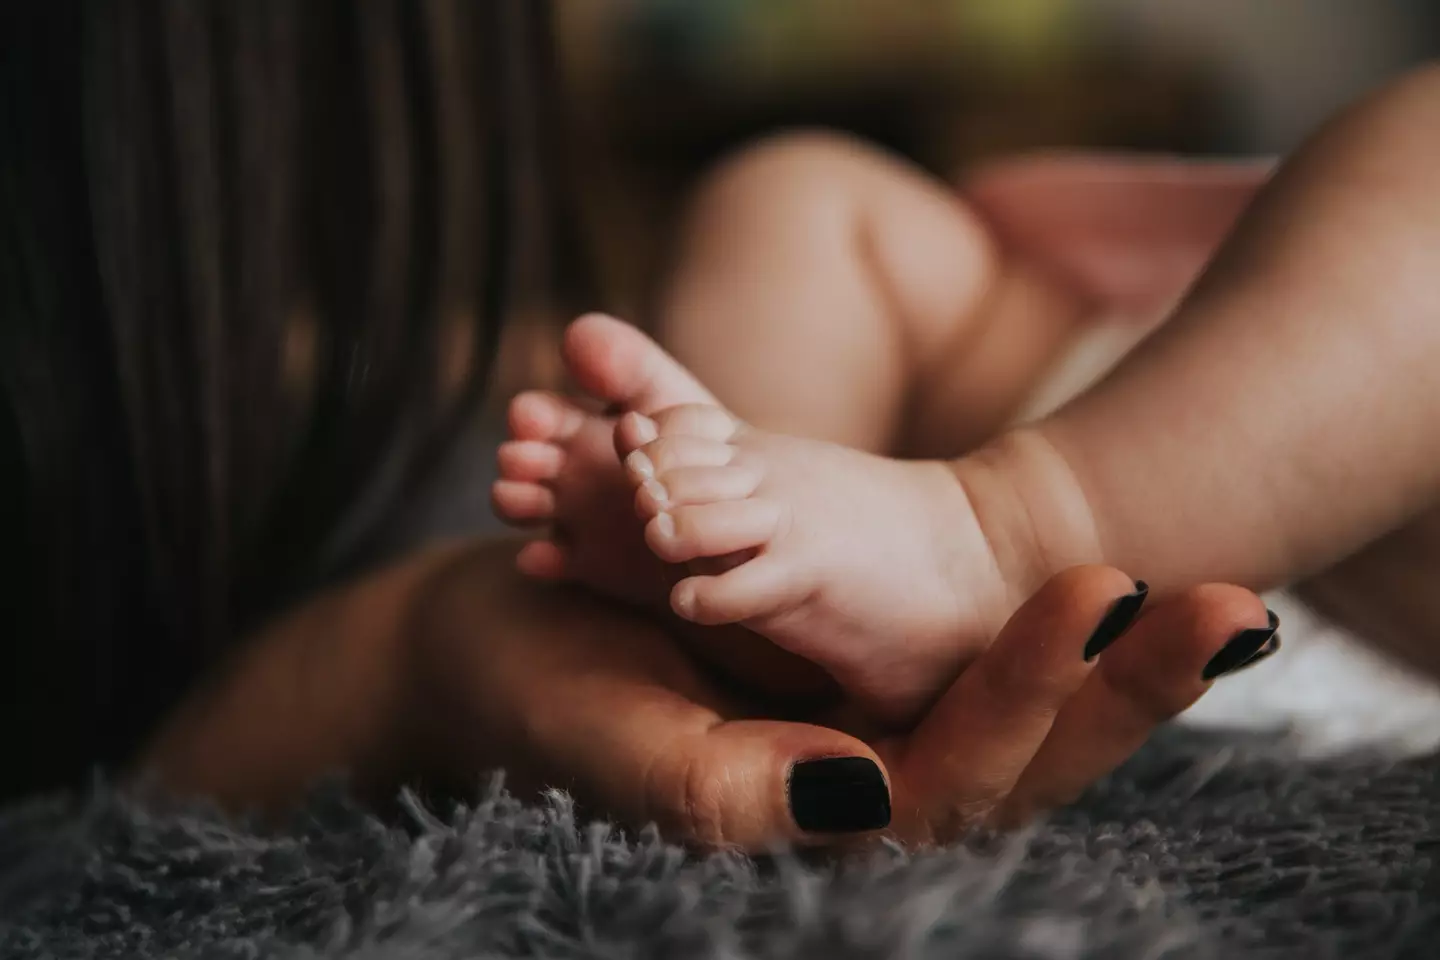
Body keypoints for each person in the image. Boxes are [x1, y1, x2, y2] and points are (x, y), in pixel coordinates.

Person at [3, 0, 1267, 850]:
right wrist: (403, 655)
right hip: (1048, 365)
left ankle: (909, 546)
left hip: (1249, 464)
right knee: (790, 190)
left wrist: (399, 650)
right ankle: (774, 580)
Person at [494, 61, 1440, 740]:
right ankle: (763, 582)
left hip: (1378, 588)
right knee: (798, 190)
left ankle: (998, 536)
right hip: (1114, 393)